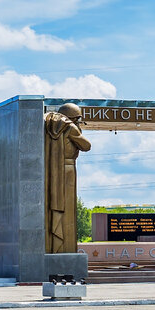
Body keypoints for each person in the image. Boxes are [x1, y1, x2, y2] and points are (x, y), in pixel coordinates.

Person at [43, 103, 90, 253]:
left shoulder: (48, 126)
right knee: (67, 209)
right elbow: (86, 146)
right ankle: (65, 248)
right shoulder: (70, 127)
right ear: (74, 118)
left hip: (51, 170)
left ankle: (56, 246)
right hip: (68, 169)